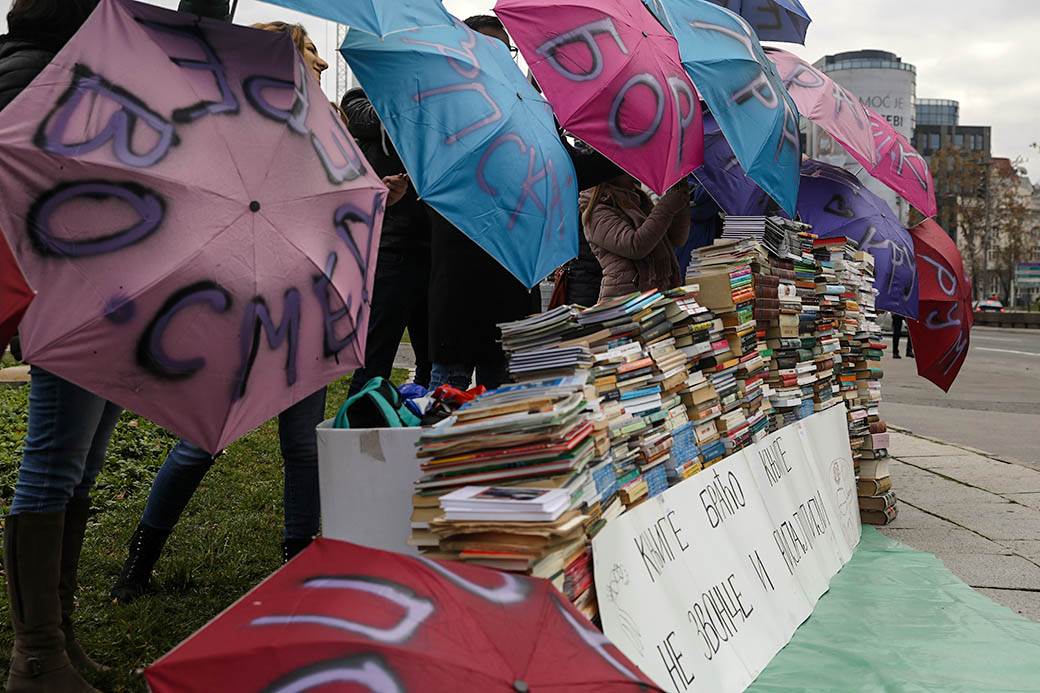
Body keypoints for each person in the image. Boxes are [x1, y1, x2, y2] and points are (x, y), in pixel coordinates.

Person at [110, 19, 333, 605]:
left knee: (303, 445)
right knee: (202, 440)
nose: (321, 65)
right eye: (310, 55)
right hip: (240, 307)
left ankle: (298, 561)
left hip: (305, 305)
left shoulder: (323, 134)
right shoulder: (229, 132)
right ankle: (139, 561)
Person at [0, 3, 121, 691]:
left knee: (79, 464)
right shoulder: (33, 77)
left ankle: (58, 634)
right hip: (67, 299)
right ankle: (37, 654)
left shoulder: (59, 72)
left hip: (94, 295)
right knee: (52, 466)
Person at [427, 15, 621, 390]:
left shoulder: (531, 110)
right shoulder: (443, 110)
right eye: (492, 49)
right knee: (445, 405)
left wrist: (622, 147)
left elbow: (569, 170)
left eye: (508, 51)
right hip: (459, 287)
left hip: (513, 288)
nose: (502, 59)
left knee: (507, 408)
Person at [341, 86, 432, 397]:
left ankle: (419, 417)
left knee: (433, 363)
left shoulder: (438, 108)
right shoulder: (360, 99)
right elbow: (365, 120)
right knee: (374, 361)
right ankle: (357, 420)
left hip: (432, 250)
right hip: (392, 250)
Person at [580, 176, 691, 301]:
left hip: (653, 293)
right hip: (625, 300)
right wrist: (667, 207)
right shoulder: (598, 211)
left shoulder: (638, 198)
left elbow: (676, 239)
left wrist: (680, 200)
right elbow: (635, 246)